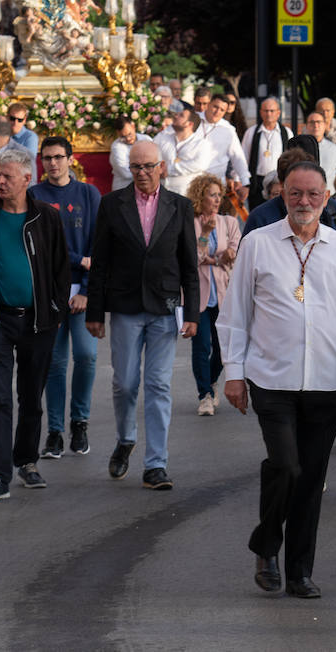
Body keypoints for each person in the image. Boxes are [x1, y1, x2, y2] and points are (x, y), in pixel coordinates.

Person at [220, 161, 336, 598]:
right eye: (295, 193)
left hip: (326, 381)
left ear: (327, 197)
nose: (304, 202)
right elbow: (235, 314)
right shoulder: (257, 243)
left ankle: (299, 572)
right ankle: (266, 542)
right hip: (271, 378)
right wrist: (233, 374)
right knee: (287, 466)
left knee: (311, 479)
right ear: (282, 195)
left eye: (312, 194)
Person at [85, 140, 199, 491]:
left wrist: (191, 311)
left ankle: (156, 464)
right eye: (136, 167)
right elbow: (100, 260)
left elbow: (189, 264)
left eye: (149, 166)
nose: (143, 173)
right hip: (125, 307)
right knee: (125, 383)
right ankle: (125, 437)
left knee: (159, 385)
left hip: (164, 308)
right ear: (129, 169)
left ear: (162, 167)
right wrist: (95, 312)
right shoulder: (111, 205)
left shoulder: (179, 206)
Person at [0, 148, 70, 502]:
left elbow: (60, 270)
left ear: (26, 179)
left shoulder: (46, 219)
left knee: (30, 397)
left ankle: (27, 461)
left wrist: (56, 307)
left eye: (6, 177)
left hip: (38, 322)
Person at [32, 137, 102, 460]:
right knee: (55, 363)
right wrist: (77, 260)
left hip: (84, 294)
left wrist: (87, 289)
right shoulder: (34, 196)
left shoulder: (88, 194)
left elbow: (98, 247)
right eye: (47, 158)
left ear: (70, 159)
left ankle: (80, 422)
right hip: (50, 293)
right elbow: (41, 247)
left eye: (59, 157)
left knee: (86, 356)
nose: (53, 163)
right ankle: (55, 431)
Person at [187, 173, 240, 416]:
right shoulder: (192, 223)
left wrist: (214, 258)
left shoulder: (229, 222)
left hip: (223, 293)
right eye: (212, 195)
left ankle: (211, 381)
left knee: (222, 347)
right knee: (201, 344)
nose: (217, 199)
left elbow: (236, 253)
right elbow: (193, 258)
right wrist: (206, 237)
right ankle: (205, 395)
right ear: (201, 197)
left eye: (219, 195)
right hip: (199, 293)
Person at [195, 94, 250, 204]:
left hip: (215, 183)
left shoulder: (228, 130)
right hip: (192, 180)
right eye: (215, 107)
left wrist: (245, 183)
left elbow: (237, 157)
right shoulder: (193, 120)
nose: (217, 112)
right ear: (209, 104)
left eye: (222, 110)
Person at [242, 97, 291, 211]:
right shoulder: (251, 132)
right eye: (266, 111)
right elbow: (243, 158)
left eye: (272, 111)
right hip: (257, 183)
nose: (269, 114)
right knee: (258, 214)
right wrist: (243, 183)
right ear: (261, 113)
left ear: (278, 113)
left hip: (278, 182)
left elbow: (290, 158)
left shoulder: (287, 133)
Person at [154, 108, 210, 197]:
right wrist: (157, 168)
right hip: (161, 193)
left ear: (190, 124)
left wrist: (169, 169)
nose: (176, 116)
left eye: (181, 115)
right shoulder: (163, 137)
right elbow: (150, 153)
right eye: (177, 114)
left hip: (186, 195)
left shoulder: (201, 144)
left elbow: (199, 165)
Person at [302, 112, 336, 194]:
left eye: (319, 122)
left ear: (325, 125)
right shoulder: (299, 148)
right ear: (306, 126)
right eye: (312, 122)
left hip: (330, 196)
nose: (316, 125)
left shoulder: (334, 149)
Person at [109, 117, 152, 191]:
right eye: (123, 137)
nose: (128, 139)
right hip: (124, 188)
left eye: (129, 134)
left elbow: (155, 160)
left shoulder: (146, 139)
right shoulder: (116, 147)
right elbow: (126, 173)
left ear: (133, 126)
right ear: (118, 133)